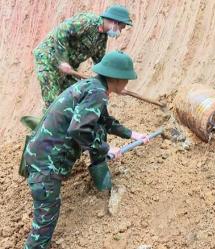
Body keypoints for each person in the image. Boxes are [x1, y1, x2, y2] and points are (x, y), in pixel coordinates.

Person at [23, 51, 149, 249]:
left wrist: (132, 134)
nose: (127, 84)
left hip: (40, 155)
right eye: (125, 79)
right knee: (44, 226)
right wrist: (106, 148)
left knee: (47, 216)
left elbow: (104, 121)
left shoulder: (94, 87)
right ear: (115, 78)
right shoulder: (97, 93)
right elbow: (77, 129)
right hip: (45, 164)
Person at [34, 4, 133, 108]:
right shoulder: (87, 21)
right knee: (53, 102)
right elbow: (61, 32)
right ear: (115, 22)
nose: (120, 32)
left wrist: (117, 85)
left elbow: (101, 65)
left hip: (68, 68)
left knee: (77, 96)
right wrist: (62, 61)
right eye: (121, 28)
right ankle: (46, 123)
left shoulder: (101, 38)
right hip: (48, 59)